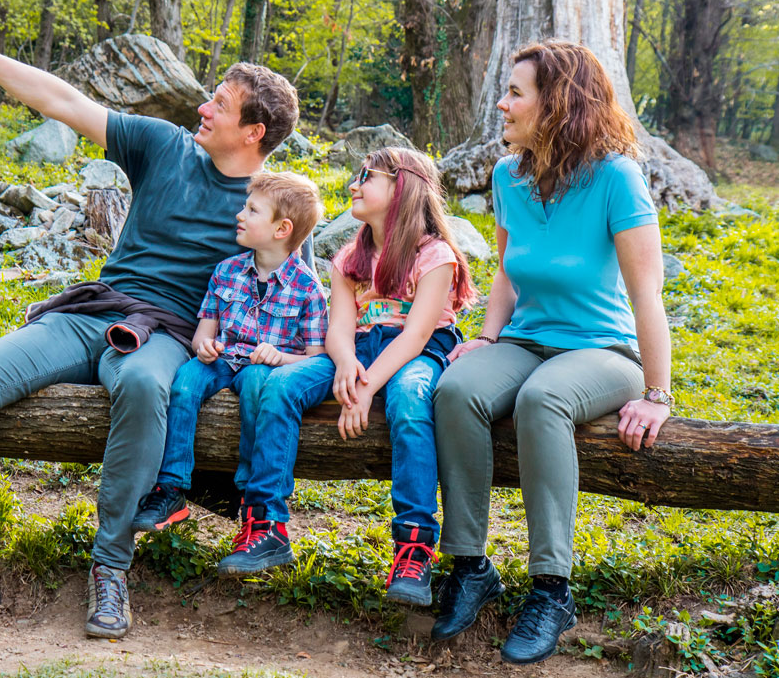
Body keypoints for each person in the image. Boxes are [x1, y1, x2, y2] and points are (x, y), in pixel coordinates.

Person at [0, 1, 305, 641]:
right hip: (94, 311)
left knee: (146, 388)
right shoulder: (164, 147)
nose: (202, 109)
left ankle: (110, 568)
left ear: (253, 132)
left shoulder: (277, 205)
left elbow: (290, 303)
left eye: (219, 103)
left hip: (170, 335)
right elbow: (62, 101)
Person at [431, 40, 673, 664]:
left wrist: (657, 393)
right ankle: (469, 565)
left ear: (558, 103)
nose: (503, 104)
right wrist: (485, 338)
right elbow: (508, 275)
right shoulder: (507, 176)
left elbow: (647, 295)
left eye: (516, 92)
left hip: (603, 350)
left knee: (543, 400)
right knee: (456, 391)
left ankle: (551, 589)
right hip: (525, 339)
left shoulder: (616, 176)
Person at [236, 147, 476, 596]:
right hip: (359, 348)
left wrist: (364, 390)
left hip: (415, 352)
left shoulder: (435, 255)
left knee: (408, 401)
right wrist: (346, 363)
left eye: (367, 176)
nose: (354, 184)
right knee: (282, 384)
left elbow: (415, 337)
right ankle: (267, 524)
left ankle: (413, 550)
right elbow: (340, 328)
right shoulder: (349, 258)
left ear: (401, 185)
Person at [131, 172, 327, 577]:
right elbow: (206, 328)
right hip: (224, 358)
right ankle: (171, 487)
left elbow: (315, 356)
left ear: (281, 229)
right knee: (185, 382)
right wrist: (205, 345)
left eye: (251, 209)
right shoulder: (225, 271)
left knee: (257, 386)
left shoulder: (308, 289)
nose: (239, 214)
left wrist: (279, 357)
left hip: (260, 366)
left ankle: (247, 493)